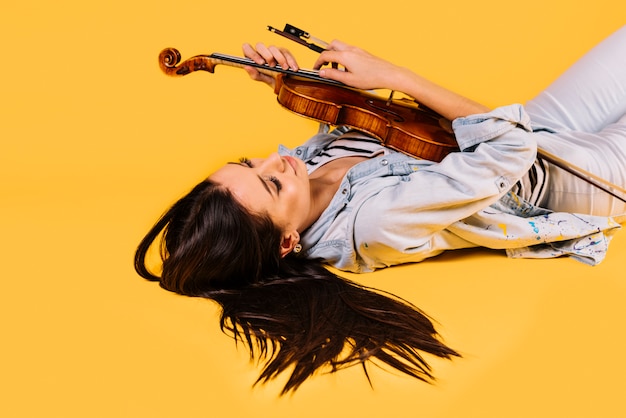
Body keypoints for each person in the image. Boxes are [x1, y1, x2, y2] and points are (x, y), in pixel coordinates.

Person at [135, 26, 626, 394]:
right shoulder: (374, 225)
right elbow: (508, 151)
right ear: (287, 242)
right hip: (570, 180)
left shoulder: (302, 175)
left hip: (537, 124)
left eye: (248, 162)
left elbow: (374, 123)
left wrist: (288, 83)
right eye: (269, 181)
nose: (276, 159)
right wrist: (394, 76)